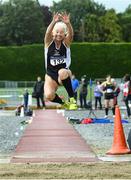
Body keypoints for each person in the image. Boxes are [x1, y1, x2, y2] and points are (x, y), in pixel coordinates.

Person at [44, 12, 77, 110]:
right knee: (49, 95)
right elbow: (47, 33)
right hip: (50, 75)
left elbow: (71, 34)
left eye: (61, 32)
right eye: (56, 32)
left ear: (64, 34)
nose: (58, 34)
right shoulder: (48, 43)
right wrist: (53, 22)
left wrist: (68, 23)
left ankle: (72, 98)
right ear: (53, 33)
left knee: (62, 72)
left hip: (64, 73)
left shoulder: (66, 43)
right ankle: (64, 103)